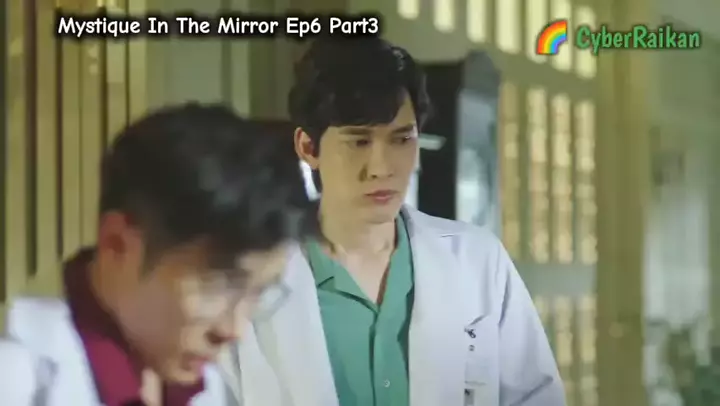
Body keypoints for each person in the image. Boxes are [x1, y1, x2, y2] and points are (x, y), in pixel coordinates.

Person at [231, 37, 566, 406]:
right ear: (309, 148)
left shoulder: (478, 262)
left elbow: (537, 397)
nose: (381, 168)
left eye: (401, 139)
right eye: (359, 142)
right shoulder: (249, 283)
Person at [0, 104, 318, 405]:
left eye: (258, 292)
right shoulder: (17, 380)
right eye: (219, 284)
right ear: (117, 244)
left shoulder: (198, 384)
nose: (234, 330)